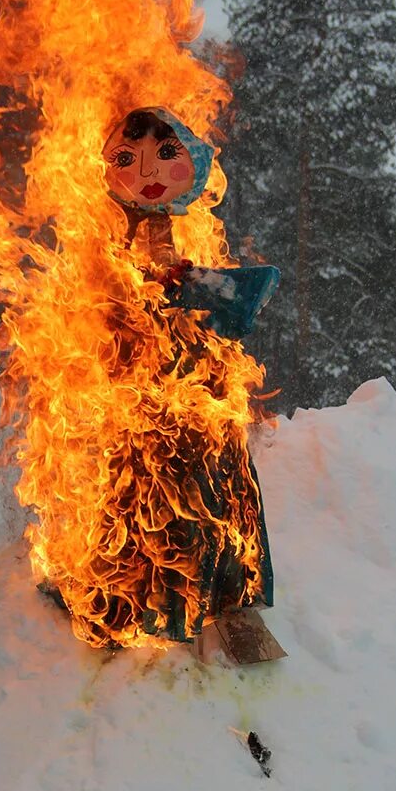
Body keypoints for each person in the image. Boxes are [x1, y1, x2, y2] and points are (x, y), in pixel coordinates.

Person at [96, 107, 277, 642]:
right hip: (138, 391)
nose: (149, 172)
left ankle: (214, 595)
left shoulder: (185, 239)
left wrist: (196, 292)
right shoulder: (113, 249)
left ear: (194, 163)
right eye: (128, 161)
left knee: (203, 495)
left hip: (194, 390)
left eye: (166, 155)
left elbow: (223, 308)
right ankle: (139, 600)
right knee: (141, 492)